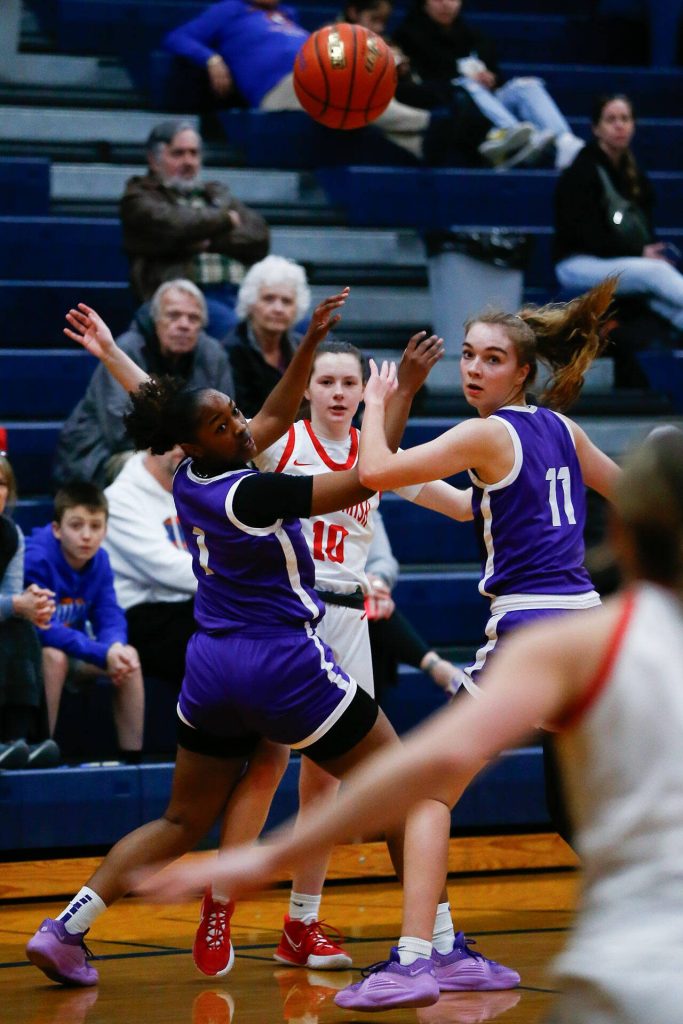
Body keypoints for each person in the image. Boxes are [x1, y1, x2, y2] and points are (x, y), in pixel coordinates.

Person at [26, 289, 490, 1012]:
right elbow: (367, 475)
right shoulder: (258, 492)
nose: (242, 425)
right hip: (279, 662)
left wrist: (306, 347)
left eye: (234, 414)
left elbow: (241, 413)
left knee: (181, 822)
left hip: (210, 668)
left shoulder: (191, 472)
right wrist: (386, 407)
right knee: (404, 790)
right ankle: (432, 946)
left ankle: (67, 926)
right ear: (200, 439)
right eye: (225, 422)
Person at [144, 425, 683, 1024]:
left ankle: (418, 952)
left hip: (632, 971)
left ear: (618, 533)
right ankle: (389, 938)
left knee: (422, 792)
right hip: (304, 627)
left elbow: (429, 763)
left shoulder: (576, 646)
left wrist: (263, 858)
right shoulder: (282, 447)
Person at [208, 338, 469, 977]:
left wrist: (516, 487)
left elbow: (463, 506)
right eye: (325, 381)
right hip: (284, 617)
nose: (336, 393)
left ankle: (301, 922)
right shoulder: (281, 445)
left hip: (348, 624)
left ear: (362, 391)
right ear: (306, 389)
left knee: (327, 781)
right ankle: (219, 904)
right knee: (266, 768)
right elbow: (194, 432)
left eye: (347, 383)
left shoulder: (375, 455)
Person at [163, 0, 504, 163]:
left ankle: (426, 141)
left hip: (315, 76)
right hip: (278, 88)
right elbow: (178, 37)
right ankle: (441, 126)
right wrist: (212, 58)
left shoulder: (289, 16)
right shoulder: (230, 10)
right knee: (352, 88)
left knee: (360, 91)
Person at [53, 279, 235, 488]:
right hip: (103, 454)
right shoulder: (125, 349)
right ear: (156, 319)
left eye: (193, 318)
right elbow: (120, 430)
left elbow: (226, 420)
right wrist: (182, 446)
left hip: (182, 450)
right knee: (166, 466)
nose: (184, 324)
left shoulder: (213, 355)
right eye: (174, 315)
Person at [23, 482, 145, 763]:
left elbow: (109, 612)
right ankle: (40, 753)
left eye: (95, 526)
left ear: (106, 529)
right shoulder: (37, 559)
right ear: (57, 529)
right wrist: (102, 652)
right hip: (34, 655)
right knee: (53, 658)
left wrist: (114, 646)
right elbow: (42, 629)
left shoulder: (99, 559)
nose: (86, 536)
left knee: (129, 657)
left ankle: (132, 760)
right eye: (76, 526)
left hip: (76, 650)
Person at [120, 120, 270, 338]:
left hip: (243, 293)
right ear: (154, 160)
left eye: (194, 153)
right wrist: (225, 221)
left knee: (308, 330)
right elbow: (177, 225)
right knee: (239, 333)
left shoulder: (216, 193)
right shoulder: (138, 196)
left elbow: (260, 236)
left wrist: (209, 241)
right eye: (178, 153)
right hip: (186, 296)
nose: (188, 161)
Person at [393, 0, 585, 169]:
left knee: (527, 86)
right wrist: (462, 79)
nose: (446, 4)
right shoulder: (408, 36)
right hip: (456, 107)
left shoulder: (474, 35)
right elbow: (418, 84)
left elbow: (497, 76)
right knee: (466, 84)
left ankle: (565, 140)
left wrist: (491, 78)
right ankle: (511, 133)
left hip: (489, 101)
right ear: (424, 3)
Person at [554, 93, 683, 340]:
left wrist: (649, 249)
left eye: (625, 119)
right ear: (596, 128)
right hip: (578, 263)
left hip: (621, 261)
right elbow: (583, 235)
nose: (619, 125)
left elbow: (643, 226)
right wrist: (639, 252)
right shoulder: (581, 171)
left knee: (669, 304)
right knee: (656, 273)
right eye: (611, 119)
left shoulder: (633, 172)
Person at [342, 0, 519, 169]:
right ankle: (434, 124)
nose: (379, 28)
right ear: (353, 12)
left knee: (441, 101)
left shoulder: (384, 41)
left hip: (389, 109)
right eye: (374, 20)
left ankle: (435, 141)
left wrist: (402, 72)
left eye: (384, 22)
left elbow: (408, 87)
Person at [103, 447, 196, 691]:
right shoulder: (119, 500)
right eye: (171, 438)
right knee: (223, 651)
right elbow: (169, 570)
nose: (182, 447)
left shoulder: (197, 484)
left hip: (188, 607)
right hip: (137, 617)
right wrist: (240, 578)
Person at [364, 512, 464, 702]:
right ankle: (438, 668)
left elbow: (384, 562)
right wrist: (357, 582)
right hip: (317, 600)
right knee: (365, 608)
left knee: (374, 608)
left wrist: (375, 582)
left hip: (363, 605)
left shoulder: (366, 502)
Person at [0, 452, 59, 770]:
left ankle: (18, 740)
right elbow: (9, 602)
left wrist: (32, 603)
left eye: (1, 484)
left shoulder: (11, 534)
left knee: (21, 629)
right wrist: (15, 604)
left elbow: (10, 596)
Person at [224, 255, 309, 417]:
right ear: (251, 302)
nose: (278, 308)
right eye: (269, 299)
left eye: (286, 301)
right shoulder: (229, 352)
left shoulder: (302, 347)